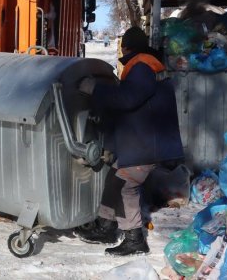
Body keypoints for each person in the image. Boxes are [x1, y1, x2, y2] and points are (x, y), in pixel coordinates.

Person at [75, 26, 184, 256]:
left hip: (146, 145)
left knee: (127, 186)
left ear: (128, 47)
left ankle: (134, 239)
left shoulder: (142, 67)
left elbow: (127, 99)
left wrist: (95, 89)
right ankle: (106, 226)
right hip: (143, 141)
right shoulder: (146, 65)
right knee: (115, 178)